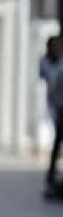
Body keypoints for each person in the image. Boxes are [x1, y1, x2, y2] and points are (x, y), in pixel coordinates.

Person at [40, 36, 63, 196]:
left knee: (57, 142)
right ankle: (51, 174)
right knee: (57, 142)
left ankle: (52, 174)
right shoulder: (48, 63)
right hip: (58, 108)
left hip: (59, 107)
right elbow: (52, 85)